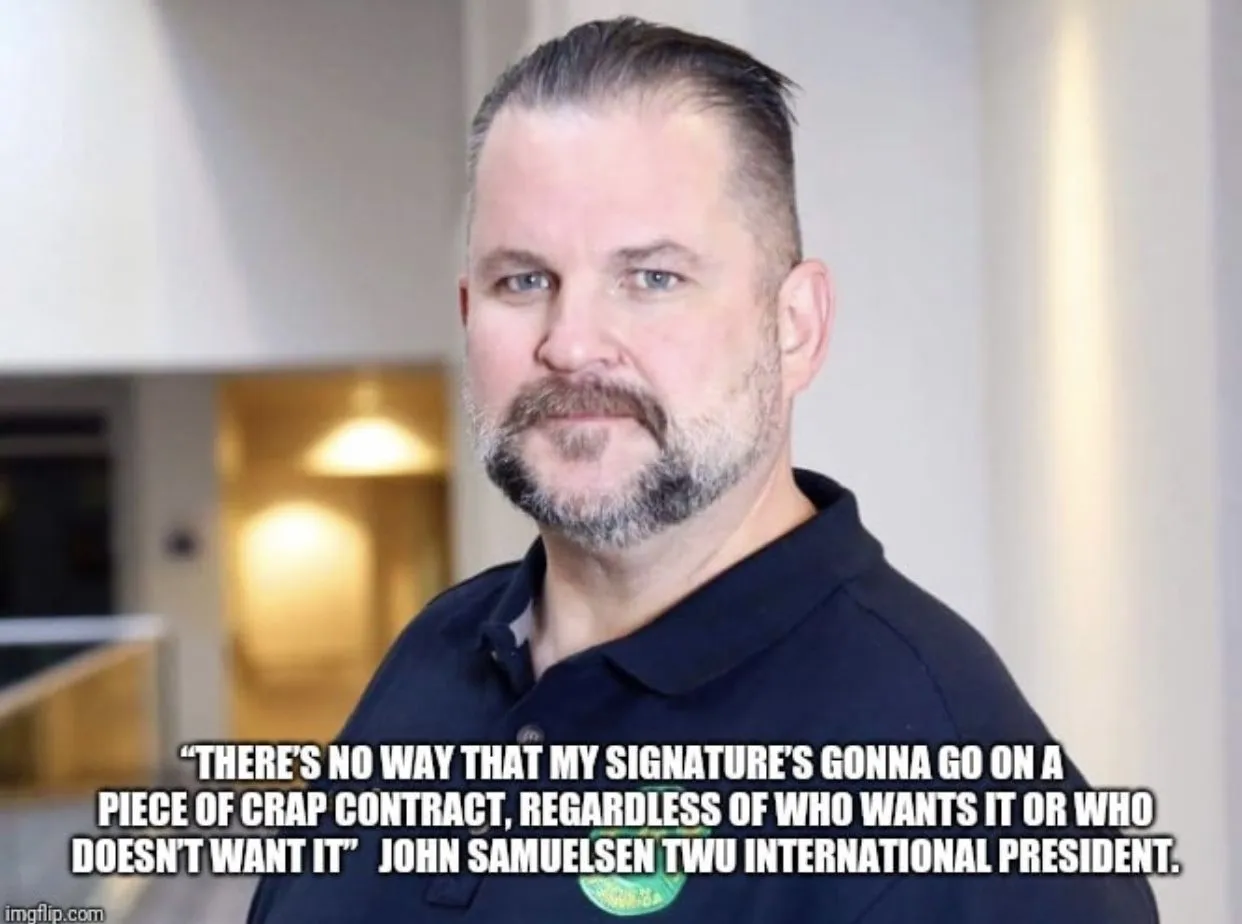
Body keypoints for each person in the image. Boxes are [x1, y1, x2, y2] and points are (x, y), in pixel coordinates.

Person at [248, 17, 1161, 923]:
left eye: (652, 278)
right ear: (466, 314)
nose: (571, 344)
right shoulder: (439, 652)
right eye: (523, 281)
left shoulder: (956, 800)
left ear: (794, 327)